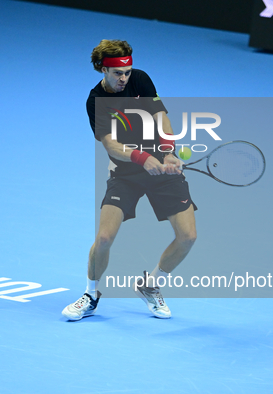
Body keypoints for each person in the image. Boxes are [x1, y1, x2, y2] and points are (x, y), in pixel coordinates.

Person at [61, 39, 197, 321]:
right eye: (117, 74)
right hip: (127, 172)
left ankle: (150, 285)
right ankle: (91, 294)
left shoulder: (141, 80)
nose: (125, 78)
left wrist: (169, 152)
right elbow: (110, 145)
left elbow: (162, 118)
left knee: (187, 237)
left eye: (127, 72)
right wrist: (142, 159)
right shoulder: (95, 101)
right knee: (104, 237)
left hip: (162, 167)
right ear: (102, 70)